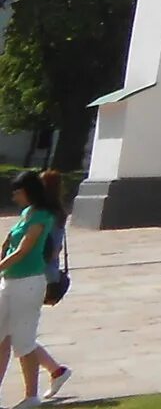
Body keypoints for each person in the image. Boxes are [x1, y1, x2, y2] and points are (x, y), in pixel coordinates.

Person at [0, 172, 64, 405]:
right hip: (9, 281)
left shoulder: (43, 217)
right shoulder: (27, 213)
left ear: (30, 191)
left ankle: (31, 397)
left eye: (19, 191)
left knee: (23, 341)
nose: (15, 196)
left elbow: (23, 251)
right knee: (1, 337)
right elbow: (11, 244)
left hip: (28, 283)